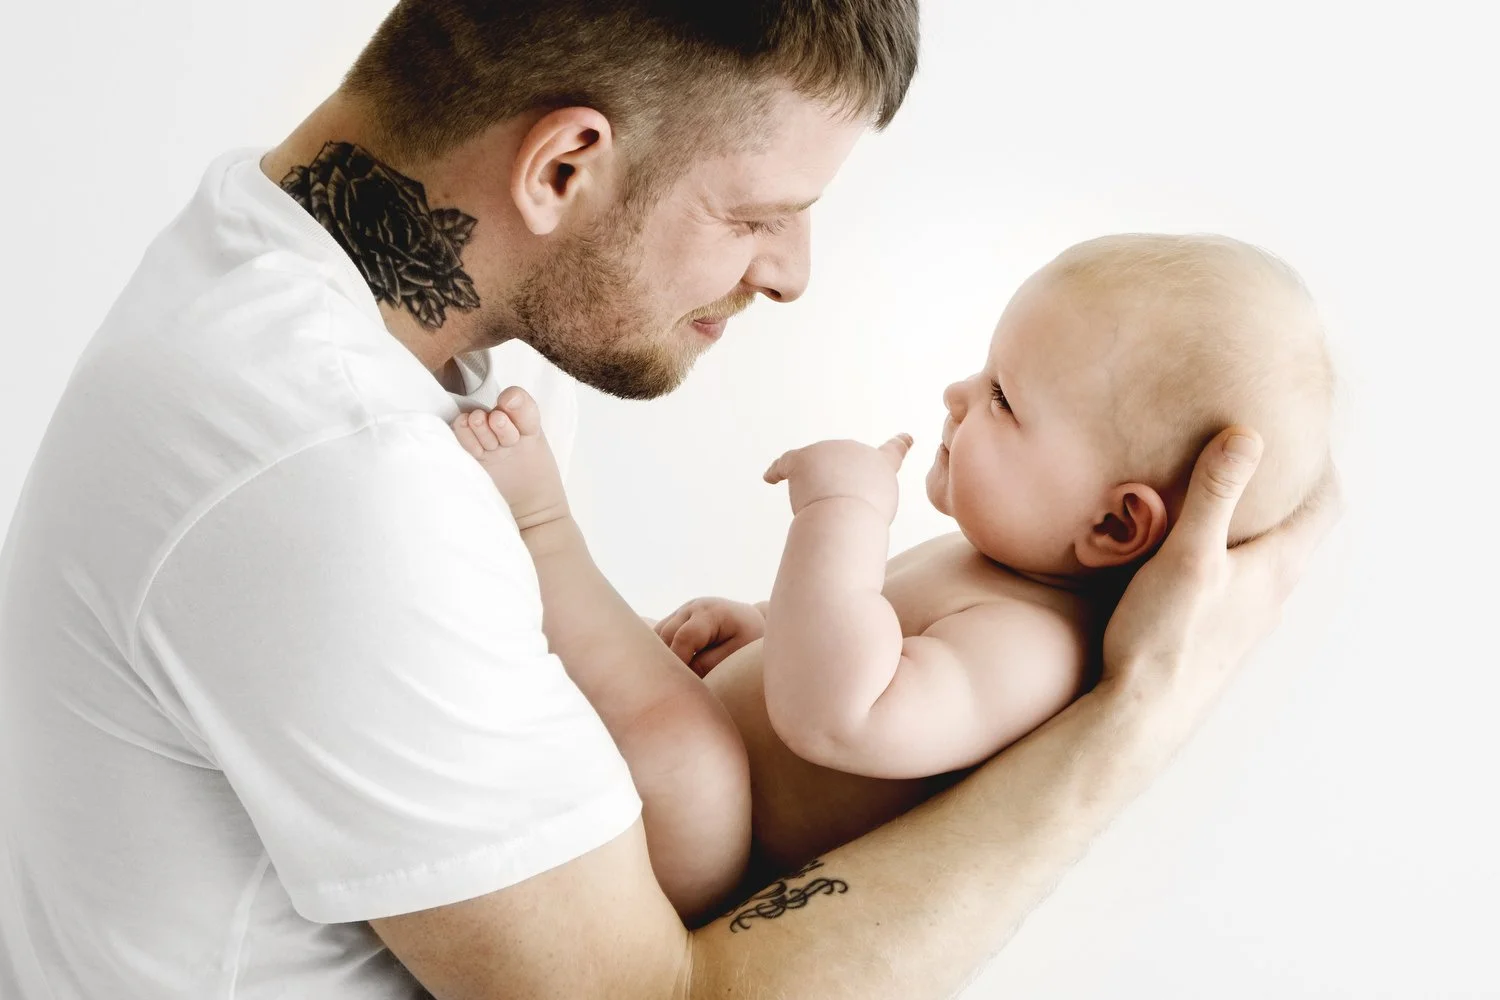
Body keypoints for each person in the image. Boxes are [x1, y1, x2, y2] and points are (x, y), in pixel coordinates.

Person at [0, 3, 1336, 999]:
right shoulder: (334, 473)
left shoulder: (291, 295)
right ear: (564, 164)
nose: (793, 273)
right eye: (760, 213)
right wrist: (1139, 720)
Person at [455, 232, 1335, 895]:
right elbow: (864, 651)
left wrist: (843, 516)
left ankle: (539, 525)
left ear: (1115, 523)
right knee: (655, 688)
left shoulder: (1033, 648)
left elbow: (842, 715)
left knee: (683, 743)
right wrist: (762, 632)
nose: (959, 394)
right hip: (702, 784)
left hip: (712, 843)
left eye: (1003, 398)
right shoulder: (990, 569)